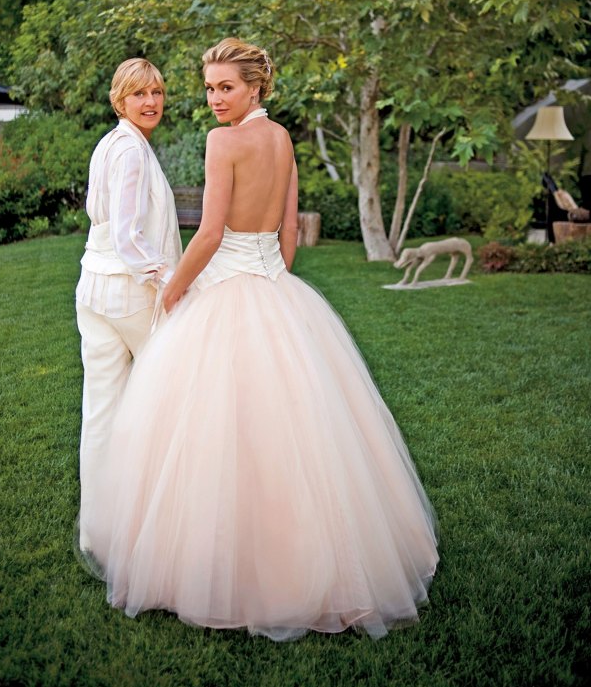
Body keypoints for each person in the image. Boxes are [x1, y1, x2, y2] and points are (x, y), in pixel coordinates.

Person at [83, 39, 438, 640]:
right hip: (278, 289)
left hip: (226, 287)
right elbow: (289, 230)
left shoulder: (224, 143)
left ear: (255, 87)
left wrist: (174, 291)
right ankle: (317, 560)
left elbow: (212, 232)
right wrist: (275, 274)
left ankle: (223, 566)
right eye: (209, 88)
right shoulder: (281, 140)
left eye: (226, 87)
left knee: (210, 431)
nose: (214, 100)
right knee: (300, 429)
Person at [75, 57, 182, 552]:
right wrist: (168, 277)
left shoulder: (111, 144)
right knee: (172, 394)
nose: (151, 102)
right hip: (127, 291)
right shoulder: (131, 151)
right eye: (139, 94)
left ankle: (100, 530)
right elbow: (126, 234)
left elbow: (99, 220)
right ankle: (163, 518)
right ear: (120, 98)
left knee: (101, 408)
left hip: (92, 288)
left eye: (157, 93)